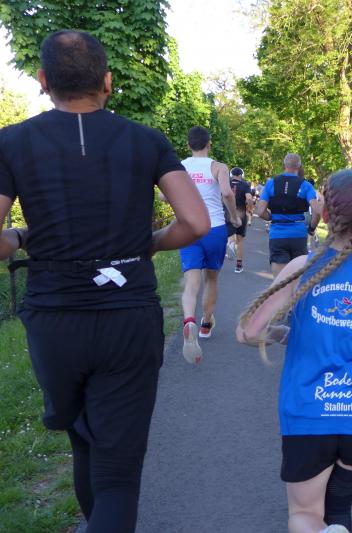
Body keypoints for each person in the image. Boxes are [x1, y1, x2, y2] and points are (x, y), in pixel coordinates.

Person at [0, 30, 210, 533]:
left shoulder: (11, 142)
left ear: (43, 80)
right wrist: (150, 242)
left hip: (54, 319)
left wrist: (21, 236)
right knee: (117, 473)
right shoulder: (147, 140)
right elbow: (196, 223)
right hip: (127, 317)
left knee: (82, 438)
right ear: (108, 82)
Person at [237, 169, 352, 533]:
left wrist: (281, 334)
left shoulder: (301, 268)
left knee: (305, 515)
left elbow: (248, 332)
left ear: (323, 212)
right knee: (337, 509)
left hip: (309, 412)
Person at [179, 126, 241, 362]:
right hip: (214, 228)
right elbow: (227, 193)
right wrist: (234, 217)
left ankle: (189, 320)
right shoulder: (218, 167)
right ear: (209, 144)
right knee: (211, 279)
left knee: (191, 282)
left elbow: (164, 195)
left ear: (188, 145)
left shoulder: (180, 166)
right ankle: (205, 325)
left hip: (189, 228)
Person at [256, 153, 320, 276]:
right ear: (299, 166)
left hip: (277, 235)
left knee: (279, 281)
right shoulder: (306, 185)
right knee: (297, 280)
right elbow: (317, 211)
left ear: (284, 165)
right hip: (298, 235)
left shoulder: (271, 183)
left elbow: (260, 211)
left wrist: (271, 217)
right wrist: (312, 228)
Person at [228, 166, 253, 273]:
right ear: (241, 175)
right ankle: (238, 266)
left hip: (227, 213)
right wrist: (249, 207)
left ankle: (230, 242)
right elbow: (249, 198)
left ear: (231, 175)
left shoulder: (226, 183)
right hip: (241, 214)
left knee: (228, 234)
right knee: (240, 240)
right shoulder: (245, 184)